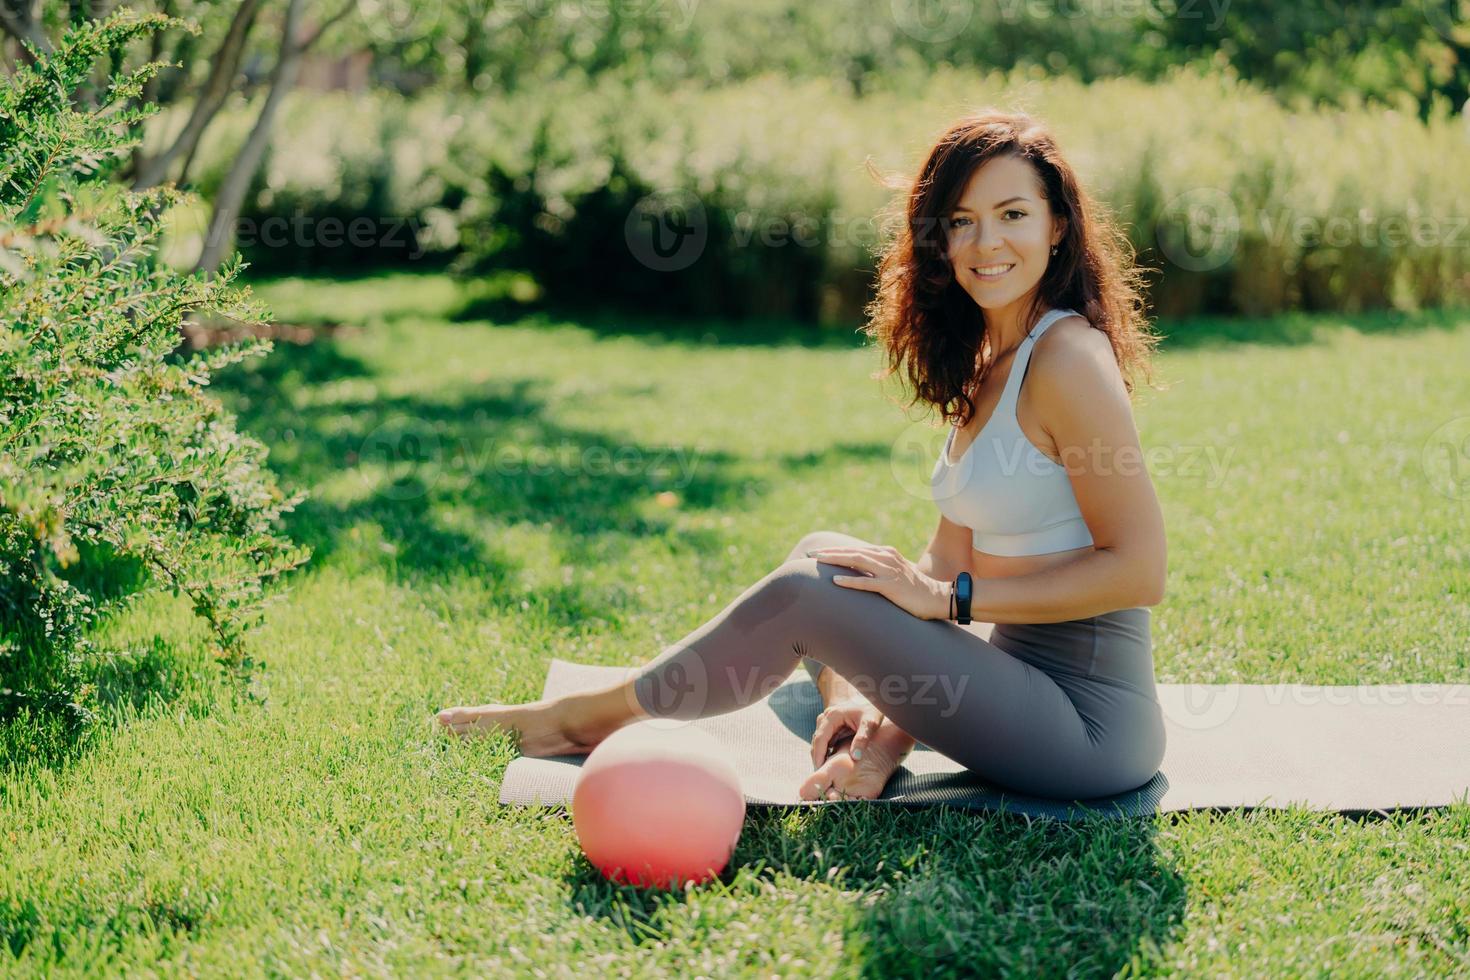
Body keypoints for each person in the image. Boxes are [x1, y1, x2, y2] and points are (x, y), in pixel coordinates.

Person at [436, 109, 1169, 803]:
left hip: (1090, 732)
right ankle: (856, 731)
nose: (986, 244)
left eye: (1013, 215)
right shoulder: (991, 357)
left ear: (1058, 226)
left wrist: (946, 602)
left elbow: (1140, 570)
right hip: (1011, 685)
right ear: (938, 239)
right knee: (831, 560)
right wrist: (886, 728)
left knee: (806, 596)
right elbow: (947, 561)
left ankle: (584, 719)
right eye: (961, 221)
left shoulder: (1068, 357)